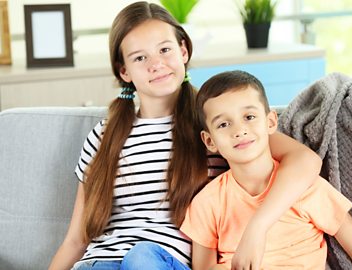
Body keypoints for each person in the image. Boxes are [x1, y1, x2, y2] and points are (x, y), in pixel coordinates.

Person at [48, 2, 322, 270]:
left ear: (183, 51)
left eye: (165, 50)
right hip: (99, 261)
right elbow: (76, 239)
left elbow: (305, 161)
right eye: (140, 58)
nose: (156, 64)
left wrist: (257, 228)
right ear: (124, 71)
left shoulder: (217, 125)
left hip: (161, 260)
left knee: (141, 257)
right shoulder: (103, 136)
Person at [181, 70, 352, 270]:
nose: (239, 130)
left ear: (270, 122)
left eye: (249, 117)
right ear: (209, 141)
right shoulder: (206, 203)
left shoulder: (308, 189)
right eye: (224, 124)